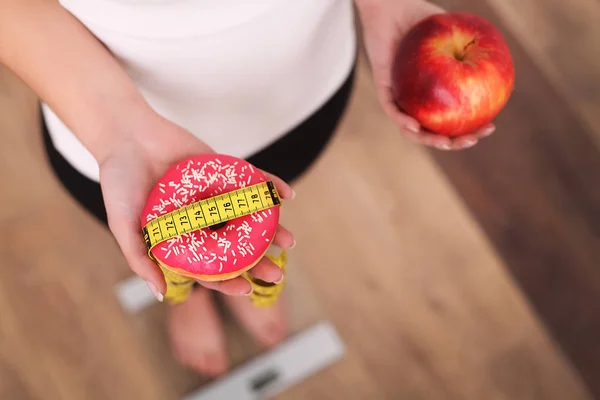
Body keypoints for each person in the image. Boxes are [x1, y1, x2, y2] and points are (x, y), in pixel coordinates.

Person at [0, 0, 494, 376]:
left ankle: (225, 277)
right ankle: (185, 292)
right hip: (107, 120)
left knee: (273, 201)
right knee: (148, 245)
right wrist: (116, 131)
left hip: (297, 86)